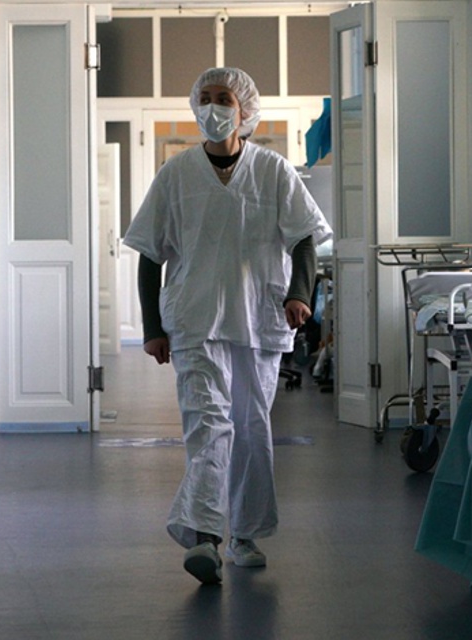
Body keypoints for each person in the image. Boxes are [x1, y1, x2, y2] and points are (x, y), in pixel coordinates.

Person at [122, 67, 332, 585]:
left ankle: (245, 533)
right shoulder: (176, 174)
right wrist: (152, 327)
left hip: (257, 318)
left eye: (224, 99)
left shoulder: (273, 170)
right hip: (194, 320)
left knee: (252, 429)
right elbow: (150, 253)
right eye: (206, 98)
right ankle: (205, 537)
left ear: (244, 111)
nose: (214, 107)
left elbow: (304, 238)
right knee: (209, 424)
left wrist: (300, 294)